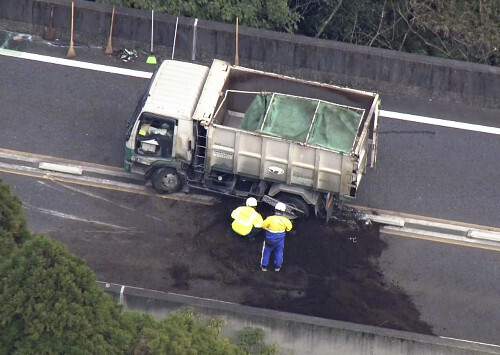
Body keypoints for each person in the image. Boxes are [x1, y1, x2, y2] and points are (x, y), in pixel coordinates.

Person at [260, 202, 293, 272]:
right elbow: (289, 229)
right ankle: (277, 267)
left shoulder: (270, 219)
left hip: (269, 239)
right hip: (280, 240)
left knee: (266, 251)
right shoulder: (286, 221)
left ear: (275, 210)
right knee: (279, 252)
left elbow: (263, 226)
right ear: (283, 211)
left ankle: (264, 266)